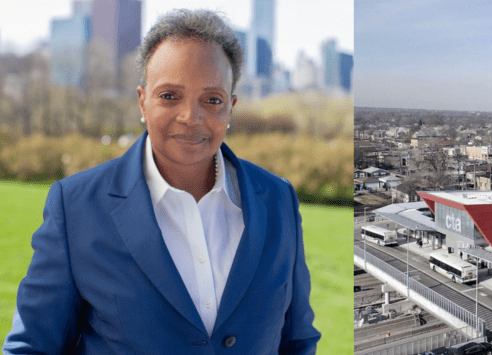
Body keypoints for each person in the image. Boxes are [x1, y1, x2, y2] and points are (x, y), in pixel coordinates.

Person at [2, 9, 320, 354]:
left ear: (230, 107)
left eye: (211, 100)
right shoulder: (76, 205)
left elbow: (298, 340)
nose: (190, 117)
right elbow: (32, 346)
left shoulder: (278, 200)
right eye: (169, 96)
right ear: (143, 101)